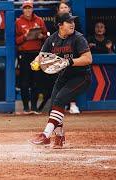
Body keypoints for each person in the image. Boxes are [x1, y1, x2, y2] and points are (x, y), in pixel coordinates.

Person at [30, 13, 92, 149]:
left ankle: (45, 135)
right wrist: (35, 62)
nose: (72, 24)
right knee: (54, 106)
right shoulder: (51, 39)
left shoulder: (78, 38)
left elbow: (88, 59)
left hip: (81, 76)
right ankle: (59, 137)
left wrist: (69, 61)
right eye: (68, 22)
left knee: (59, 100)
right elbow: (41, 56)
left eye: (73, 21)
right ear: (60, 25)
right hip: (64, 77)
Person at [15, 0, 48, 114]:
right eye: (25, 8)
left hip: (36, 54)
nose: (28, 10)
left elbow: (46, 36)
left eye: (29, 8)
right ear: (23, 9)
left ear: (32, 9)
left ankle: (34, 107)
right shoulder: (18, 22)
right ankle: (25, 107)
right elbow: (15, 40)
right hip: (24, 55)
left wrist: (41, 36)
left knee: (36, 81)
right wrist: (25, 36)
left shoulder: (39, 20)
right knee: (24, 82)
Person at [56, 1, 82, 114]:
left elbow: (78, 36)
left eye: (66, 7)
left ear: (69, 9)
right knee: (60, 81)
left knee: (72, 79)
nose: (64, 9)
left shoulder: (75, 23)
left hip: (72, 54)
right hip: (58, 55)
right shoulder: (56, 23)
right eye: (62, 7)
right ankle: (60, 106)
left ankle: (73, 104)